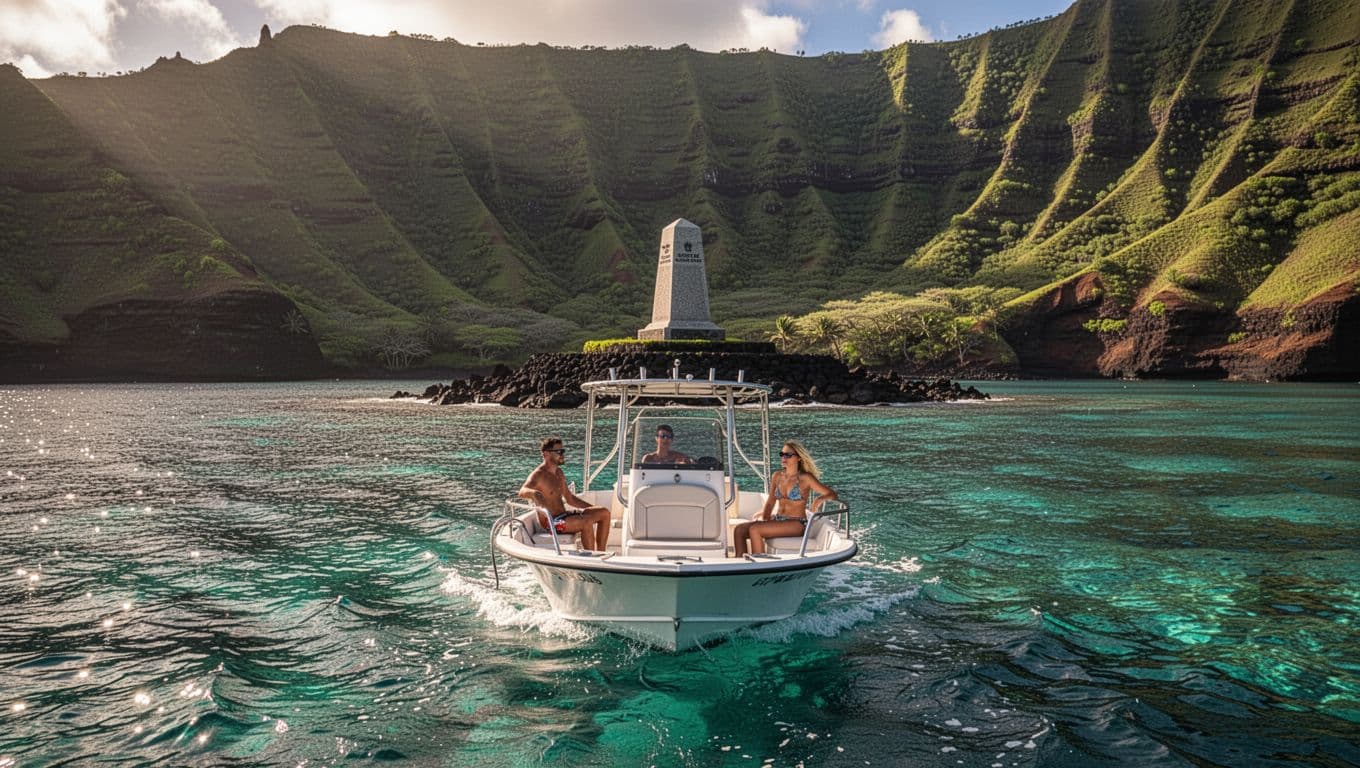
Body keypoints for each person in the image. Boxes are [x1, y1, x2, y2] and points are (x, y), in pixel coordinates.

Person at [732, 440, 836, 557]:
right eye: (782, 454)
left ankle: (761, 566)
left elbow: (831, 493)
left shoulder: (805, 478)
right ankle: (741, 563)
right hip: (778, 519)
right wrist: (765, 519)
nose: (783, 458)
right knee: (739, 530)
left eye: (788, 455)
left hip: (796, 523)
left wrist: (818, 500)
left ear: (799, 458)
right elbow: (771, 501)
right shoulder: (777, 476)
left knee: (755, 529)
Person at [519, 436, 611, 551]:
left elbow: (570, 499)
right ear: (546, 454)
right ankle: (592, 559)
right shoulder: (538, 475)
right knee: (586, 522)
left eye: (563, 451)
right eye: (559, 451)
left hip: (565, 516)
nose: (562, 454)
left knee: (604, 512)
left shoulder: (559, 473)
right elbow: (522, 491)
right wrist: (534, 493)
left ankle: (601, 553)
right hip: (552, 522)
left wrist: (592, 508)